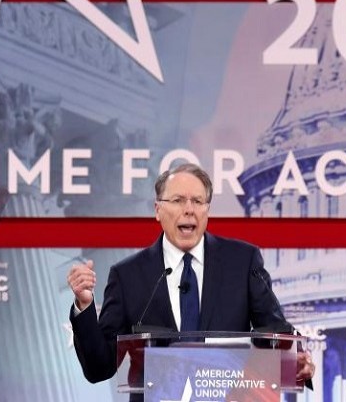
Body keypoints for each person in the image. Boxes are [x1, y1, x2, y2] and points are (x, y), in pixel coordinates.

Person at [67, 163, 315, 397]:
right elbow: (100, 368)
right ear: (157, 210)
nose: (189, 209)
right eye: (177, 200)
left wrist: (296, 359)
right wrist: (84, 306)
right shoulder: (127, 275)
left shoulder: (243, 261)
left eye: (198, 201)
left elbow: (273, 331)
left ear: (207, 210)